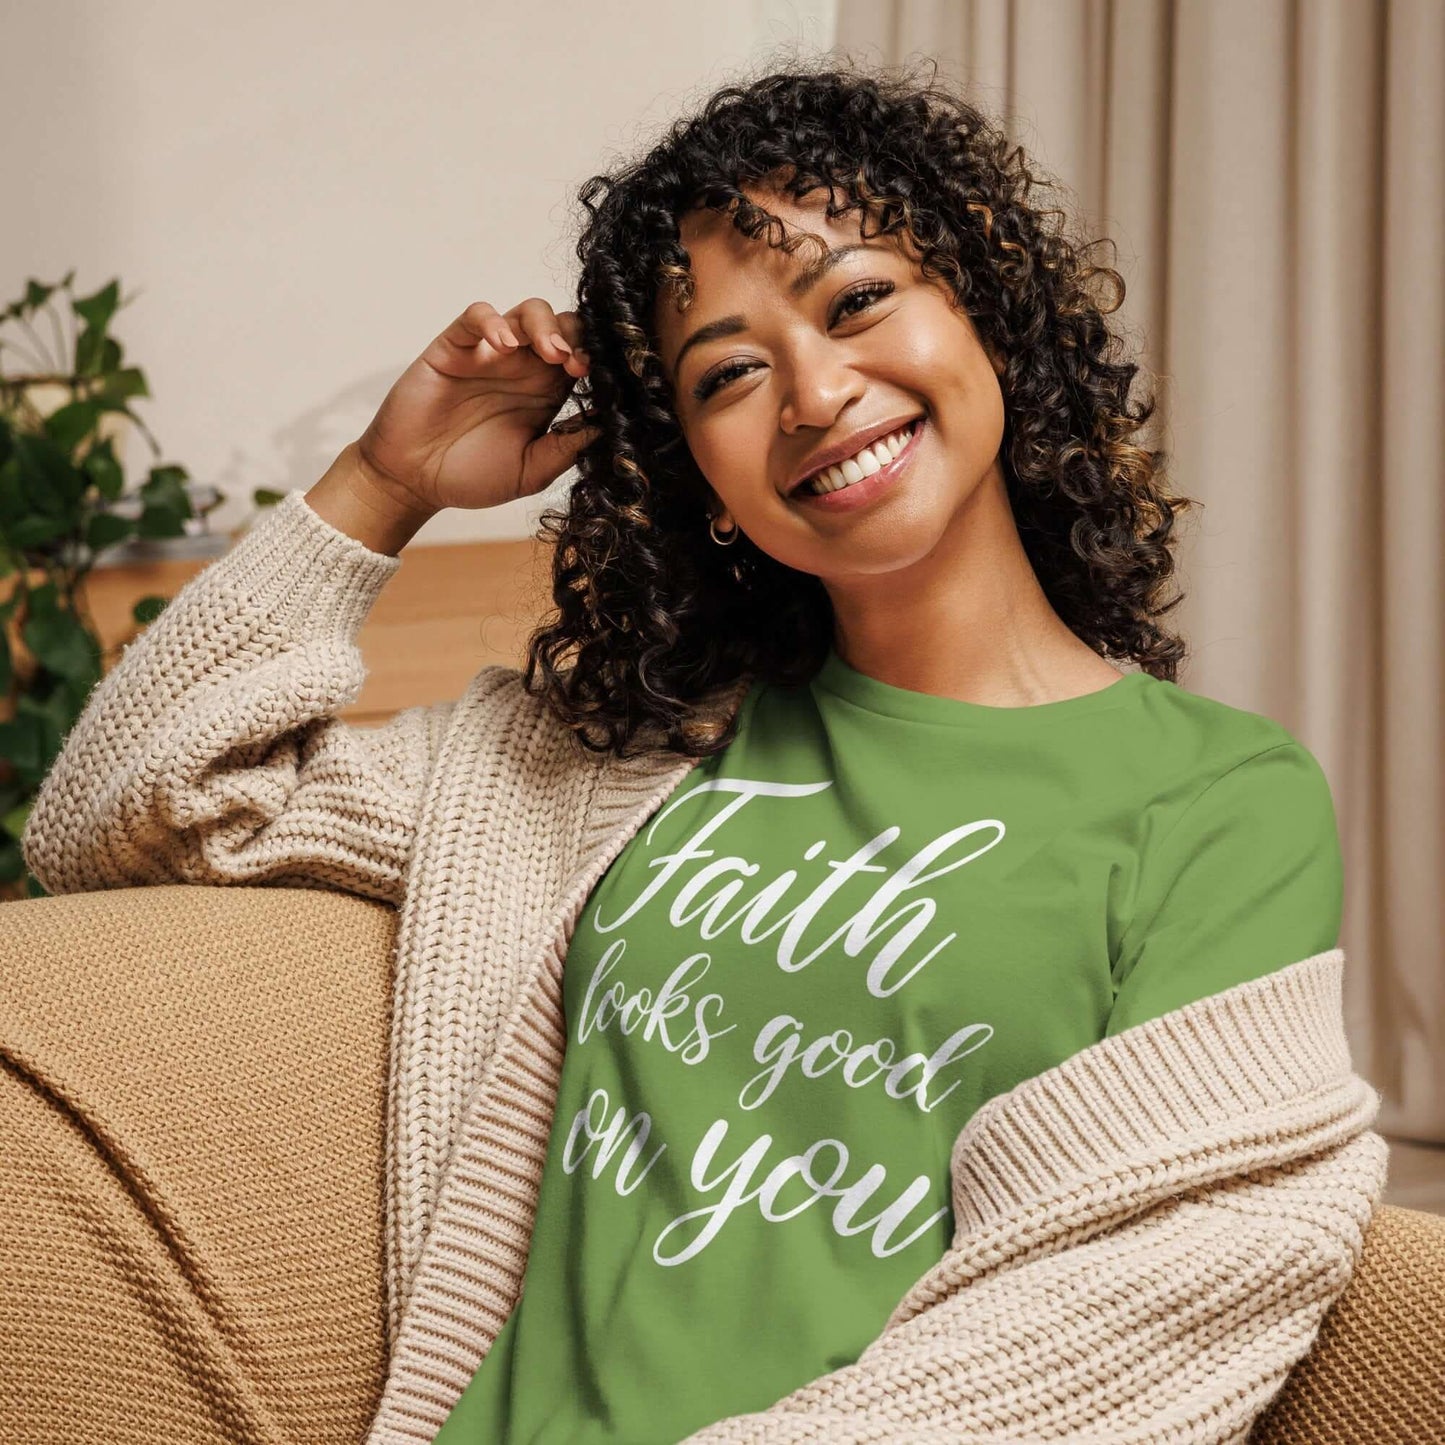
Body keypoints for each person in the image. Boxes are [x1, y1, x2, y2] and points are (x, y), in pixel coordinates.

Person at [18, 58, 1375, 1445]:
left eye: (858, 301)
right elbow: (125, 815)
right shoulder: (603, 762)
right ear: (702, 479)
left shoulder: (1213, 797)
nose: (813, 390)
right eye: (728, 372)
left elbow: (1139, 1292)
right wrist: (384, 484)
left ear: (987, 317)